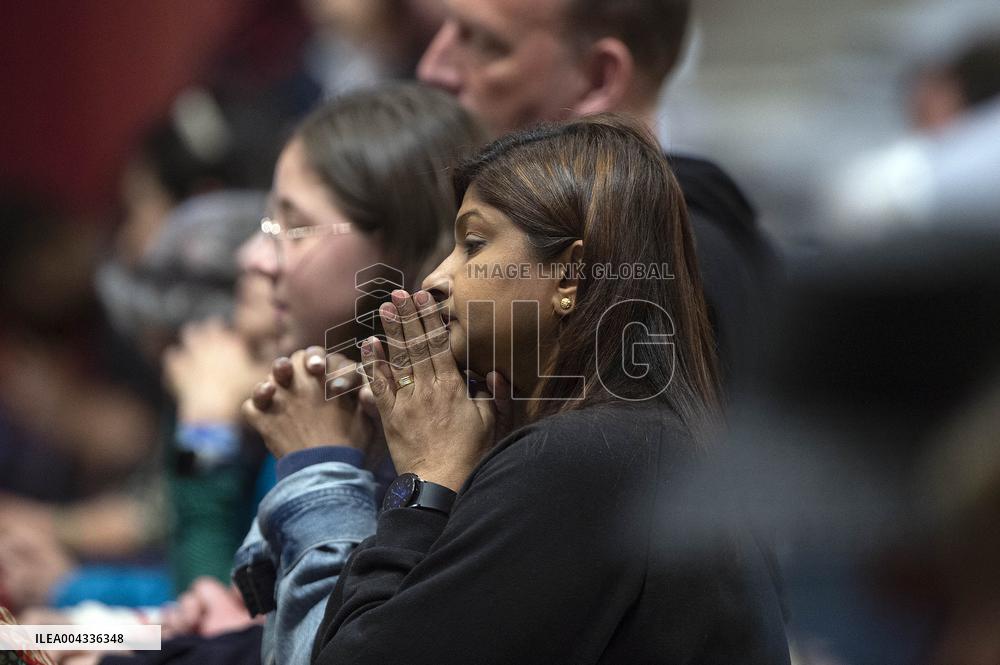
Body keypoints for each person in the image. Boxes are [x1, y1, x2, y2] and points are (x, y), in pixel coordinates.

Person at [249, 115, 789, 663]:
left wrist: (425, 483)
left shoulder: (583, 459)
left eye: (474, 244)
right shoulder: (635, 443)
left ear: (570, 275)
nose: (435, 278)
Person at [415, 0, 776, 390]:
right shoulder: (698, 242)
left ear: (599, 78)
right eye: (447, 27)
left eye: (487, 44)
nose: (432, 69)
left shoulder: (656, 265)